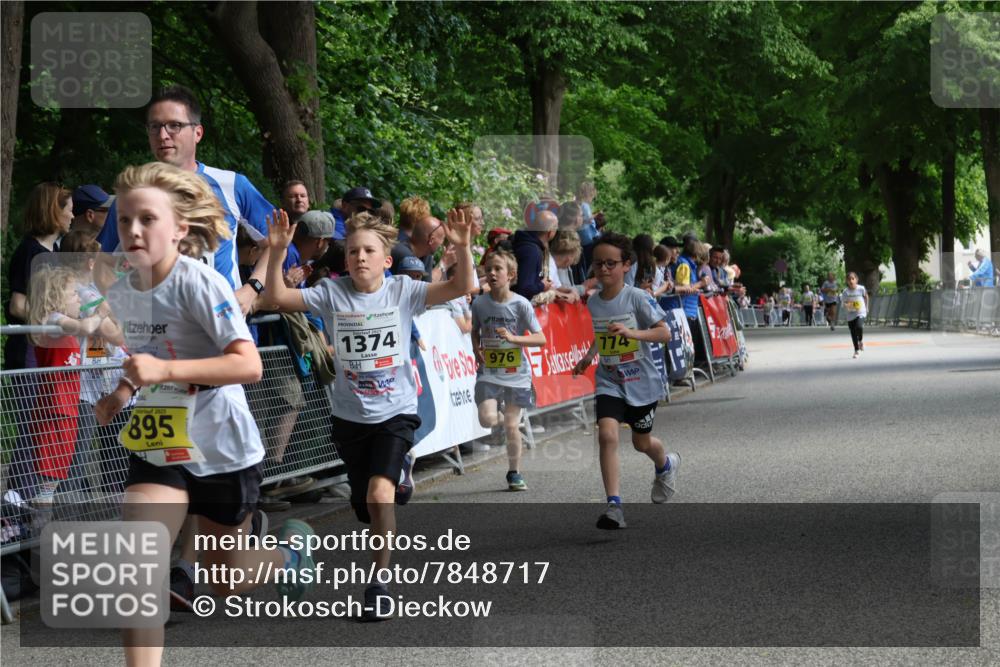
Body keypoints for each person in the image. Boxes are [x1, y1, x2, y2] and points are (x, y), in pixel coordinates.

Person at [95, 162, 314, 664]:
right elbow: (149, 355)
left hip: (220, 445)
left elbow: (248, 364)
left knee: (225, 579)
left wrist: (161, 372)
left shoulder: (202, 284)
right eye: (126, 220)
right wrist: (123, 391)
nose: (132, 230)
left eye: (147, 219)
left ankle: (288, 557)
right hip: (160, 442)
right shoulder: (125, 292)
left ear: (180, 228)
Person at [262, 206, 475, 621]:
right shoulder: (331, 293)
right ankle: (384, 497)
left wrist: (463, 248)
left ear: (386, 260)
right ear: (345, 260)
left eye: (369, 251)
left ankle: (379, 583)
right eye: (354, 251)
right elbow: (276, 297)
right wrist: (276, 251)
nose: (360, 257)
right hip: (349, 418)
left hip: (396, 412)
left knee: (381, 496)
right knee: (366, 507)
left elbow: (462, 285)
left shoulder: (402, 292)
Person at [96, 85, 274, 314]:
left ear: (198, 133)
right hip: (157, 332)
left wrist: (251, 289)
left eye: (174, 125)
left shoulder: (232, 185)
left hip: (220, 325)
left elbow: (278, 243)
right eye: (155, 127)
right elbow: (103, 265)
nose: (163, 135)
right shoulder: (132, 196)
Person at [572, 232, 679, 530]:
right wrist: (587, 357)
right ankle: (614, 506)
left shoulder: (637, 298)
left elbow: (664, 333)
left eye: (610, 263)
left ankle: (666, 464)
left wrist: (633, 334)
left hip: (641, 382)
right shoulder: (593, 303)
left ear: (626, 265)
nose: (604, 269)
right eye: (598, 264)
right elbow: (602, 335)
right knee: (607, 435)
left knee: (641, 443)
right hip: (609, 378)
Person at [3, 182, 74, 502]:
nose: (72, 215)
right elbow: (17, 306)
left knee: (46, 426)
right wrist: (52, 318)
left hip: (53, 354)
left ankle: (34, 500)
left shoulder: (57, 252)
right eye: (68, 208)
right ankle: (16, 500)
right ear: (52, 210)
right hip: (29, 352)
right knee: (31, 428)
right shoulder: (29, 251)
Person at [471, 249, 547, 491]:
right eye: (488, 269)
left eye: (497, 269)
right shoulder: (480, 303)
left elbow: (540, 338)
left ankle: (514, 473)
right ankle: (509, 423)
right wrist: (476, 349)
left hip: (516, 373)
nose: (491, 273)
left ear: (511, 274)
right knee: (487, 419)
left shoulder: (521, 304)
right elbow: (475, 330)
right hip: (490, 371)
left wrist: (514, 338)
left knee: (512, 426)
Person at [511, 209, 558, 300]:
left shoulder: (522, 242)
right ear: (550, 232)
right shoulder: (532, 252)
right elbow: (523, 289)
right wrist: (542, 285)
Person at [840, 271, 869, 358]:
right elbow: (843, 304)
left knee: (859, 327)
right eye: (849, 279)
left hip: (861, 312)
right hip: (850, 314)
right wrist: (849, 305)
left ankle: (860, 341)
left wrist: (867, 307)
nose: (851, 281)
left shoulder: (861, 288)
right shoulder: (845, 292)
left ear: (856, 280)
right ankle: (856, 350)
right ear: (846, 281)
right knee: (853, 332)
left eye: (853, 279)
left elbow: (866, 296)